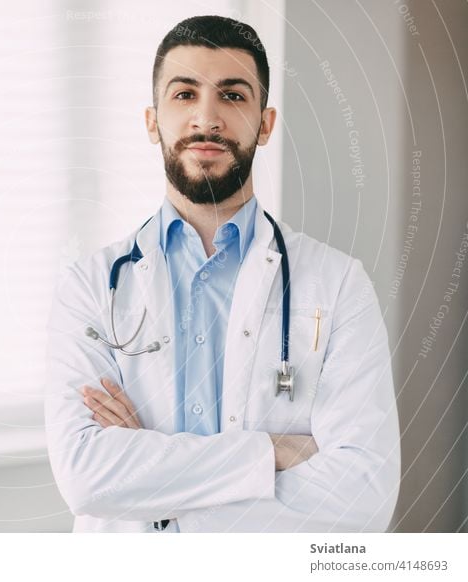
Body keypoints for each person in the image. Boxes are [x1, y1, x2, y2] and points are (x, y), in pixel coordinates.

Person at [44, 15, 400, 533]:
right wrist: (269, 453)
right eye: (184, 94)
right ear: (152, 121)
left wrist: (149, 472)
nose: (206, 119)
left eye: (232, 96)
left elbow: (364, 497)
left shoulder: (339, 285)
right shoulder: (91, 285)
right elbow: (86, 478)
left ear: (265, 123)